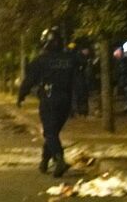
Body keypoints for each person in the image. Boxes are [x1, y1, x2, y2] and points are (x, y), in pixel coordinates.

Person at [19, 27, 83, 176]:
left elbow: (29, 80)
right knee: (53, 131)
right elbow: (79, 81)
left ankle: (59, 159)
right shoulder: (70, 59)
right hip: (65, 101)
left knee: (49, 132)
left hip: (49, 99)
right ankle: (44, 161)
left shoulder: (41, 60)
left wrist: (22, 94)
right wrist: (81, 102)